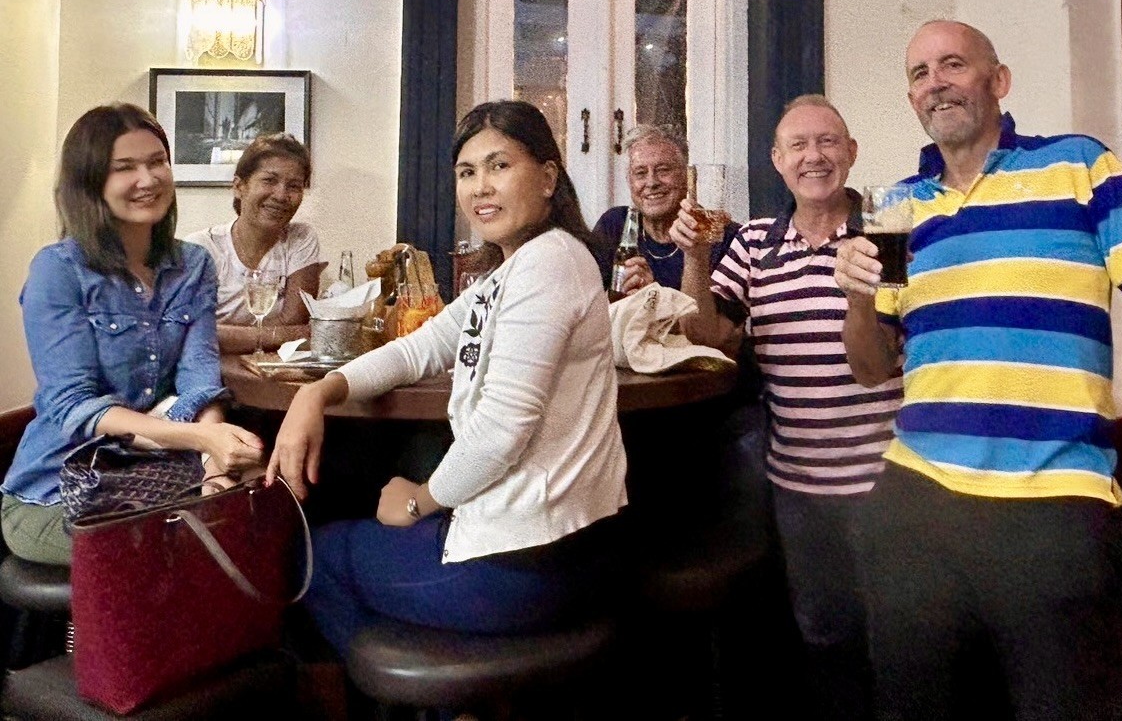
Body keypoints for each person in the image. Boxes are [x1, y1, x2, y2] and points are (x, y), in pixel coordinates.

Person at [834, 19, 1122, 720]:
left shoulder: (1080, 167)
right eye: (919, 73)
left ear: (998, 81)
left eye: (953, 64)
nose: (935, 83)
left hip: (1055, 504)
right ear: (911, 99)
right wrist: (854, 298)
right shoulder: (901, 205)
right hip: (915, 502)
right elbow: (872, 367)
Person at [265, 99, 628, 655]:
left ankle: (415, 695)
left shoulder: (550, 262)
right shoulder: (511, 272)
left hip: (526, 561)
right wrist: (318, 390)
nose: (481, 186)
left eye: (499, 165)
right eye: (467, 172)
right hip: (540, 544)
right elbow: (420, 348)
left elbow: (502, 429)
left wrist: (419, 501)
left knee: (314, 556)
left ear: (548, 177)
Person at [671, 94, 902, 721]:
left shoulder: (886, 232)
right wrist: (695, 257)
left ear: (851, 152)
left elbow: (881, 361)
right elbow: (709, 335)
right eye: (798, 145)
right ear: (776, 160)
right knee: (823, 635)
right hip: (798, 485)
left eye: (827, 142)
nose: (813, 156)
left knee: (897, 640)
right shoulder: (752, 243)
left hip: (890, 481)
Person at [1, 104, 265, 566]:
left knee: (255, 515)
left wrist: (214, 463)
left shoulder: (192, 265)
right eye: (124, 167)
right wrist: (202, 442)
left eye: (157, 161)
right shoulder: (58, 270)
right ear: (90, 183)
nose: (148, 179)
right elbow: (73, 404)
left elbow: (199, 378)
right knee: (184, 550)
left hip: (157, 475)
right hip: (56, 490)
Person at [185, 132, 321, 355]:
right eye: (269, 180)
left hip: (272, 367)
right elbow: (190, 334)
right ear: (239, 186)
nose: (281, 195)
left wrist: (226, 335)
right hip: (211, 367)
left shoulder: (301, 239)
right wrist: (284, 334)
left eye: (294, 186)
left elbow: (296, 320)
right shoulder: (201, 249)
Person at [592, 125, 738, 296]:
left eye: (663, 170)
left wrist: (653, 295)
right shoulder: (615, 224)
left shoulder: (722, 236)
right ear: (629, 181)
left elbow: (708, 314)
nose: (651, 182)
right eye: (640, 173)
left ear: (686, 176)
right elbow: (587, 302)